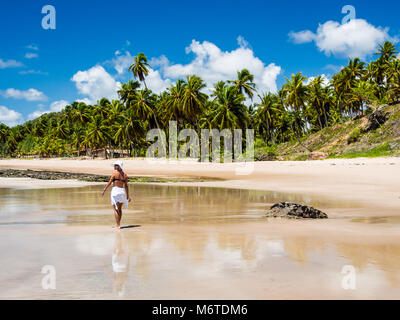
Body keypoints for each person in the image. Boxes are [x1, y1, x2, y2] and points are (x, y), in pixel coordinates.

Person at [102, 160, 131, 229]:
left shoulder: (114, 174)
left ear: (119, 166)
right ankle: (118, 224)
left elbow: (109, 182)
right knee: (120, 209)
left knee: (115, 209)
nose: (114, 166)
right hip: (122, 191)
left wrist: (104, 189)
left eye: (116, 165)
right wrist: (127, 196)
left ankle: (118, 225)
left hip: (115, 191)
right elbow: (126, 186)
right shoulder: (125, 175)